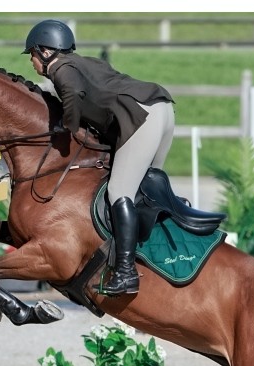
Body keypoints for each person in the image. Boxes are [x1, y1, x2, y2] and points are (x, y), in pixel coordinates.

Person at [23, 19, 176, 296]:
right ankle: (162, 253)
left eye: (32, 55)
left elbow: (73, 94)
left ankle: (126, 273)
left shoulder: (61, 69)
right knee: (146, 190)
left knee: (119, 192)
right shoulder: (86, 62)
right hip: (162, 108)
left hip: (141, 117)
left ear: (46, 52)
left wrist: (66, 126)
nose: (32, 62)